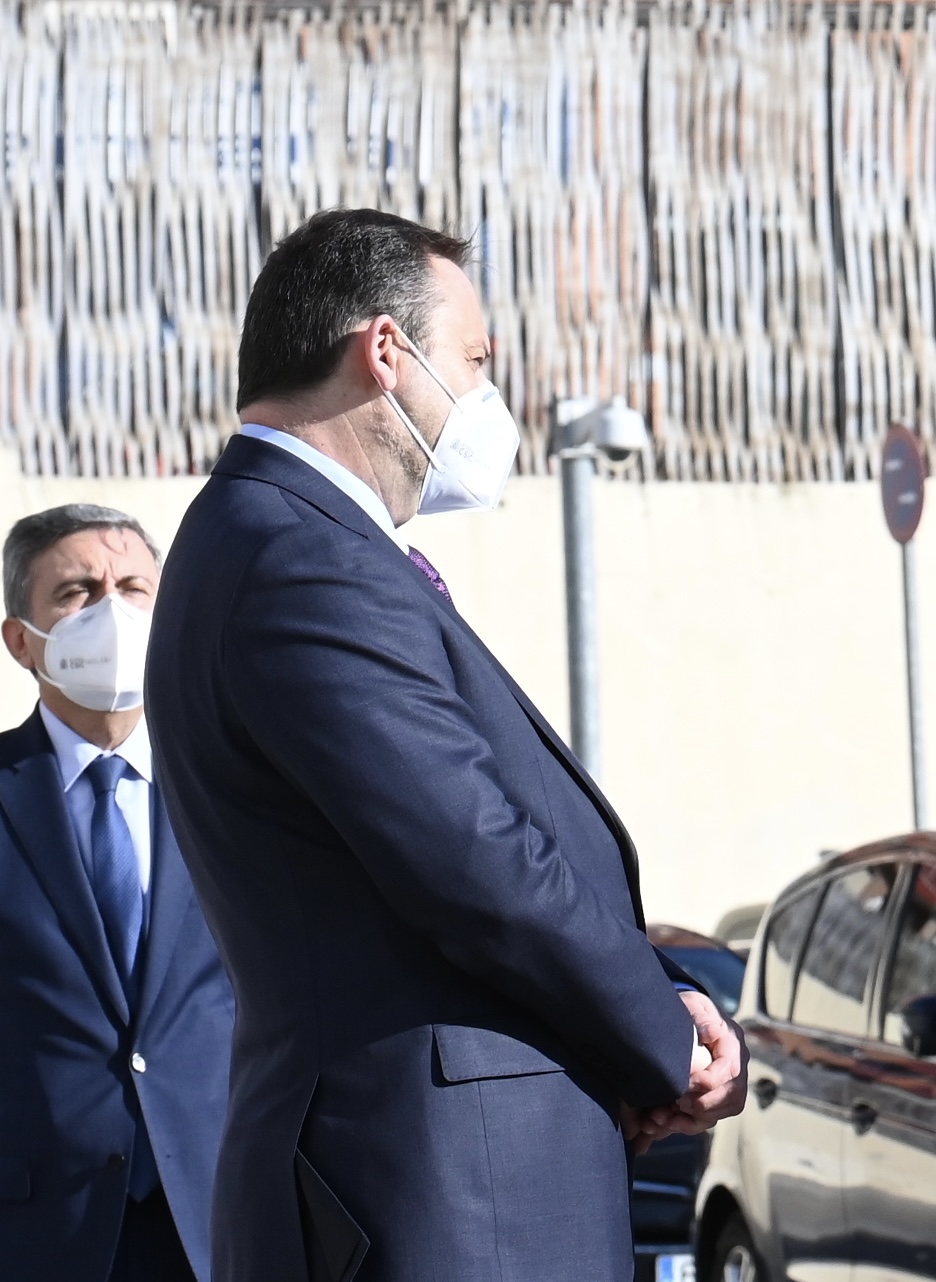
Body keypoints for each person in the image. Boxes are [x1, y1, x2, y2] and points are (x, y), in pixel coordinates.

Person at [144, 208, 747, 1282]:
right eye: (472, 359)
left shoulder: (289, 540)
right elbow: (474, 860)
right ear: (386, 353)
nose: (485, 397)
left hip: (453, 1183)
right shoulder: (296, 557)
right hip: (441, 1194)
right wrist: (660, 1034)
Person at [0, 505, 234, 1282]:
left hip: (220, 1214)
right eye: (75, 592)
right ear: (18, 639)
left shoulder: (242, 789)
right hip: (39, 1226)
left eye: (134, 586)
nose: (112, 610)